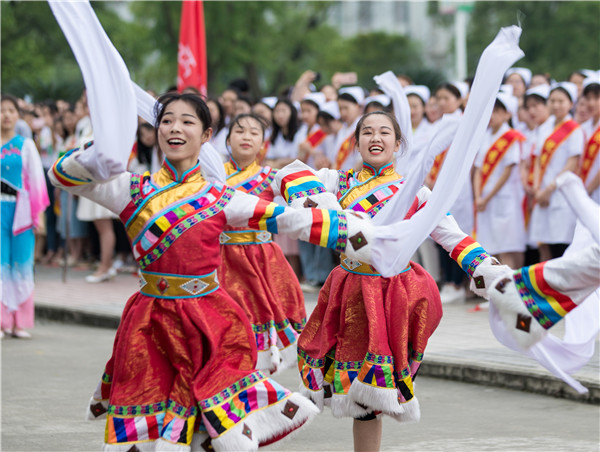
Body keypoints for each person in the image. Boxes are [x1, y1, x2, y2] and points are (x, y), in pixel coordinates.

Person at [50, 92, 375, 450]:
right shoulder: (131, 189)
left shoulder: (221, 196)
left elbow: (294, 219)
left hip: (210, 321)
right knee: (148, 428)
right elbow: (62, 176)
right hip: (149, 322)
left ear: (206, 136)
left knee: (212, 428)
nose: (175, 128)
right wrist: (102, 149)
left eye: (187, 121)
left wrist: (375, 240)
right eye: (167, 121)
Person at [274, 111, 501, 452]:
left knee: (370, 399)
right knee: (355, 394)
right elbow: (289, 175)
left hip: (390, 297)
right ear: (357, 142)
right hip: (348, 291)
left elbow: (453, 237)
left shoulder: (414, 192)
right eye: (367, 132)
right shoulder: (338, 181)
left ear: (398, 145)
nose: (375, 138)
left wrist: (493, 274)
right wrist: (333, 214)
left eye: (384, 133)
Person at [218, 113, 306, 372]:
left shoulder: (274, 177)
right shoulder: (212, 175)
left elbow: (307, 204)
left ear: (263, 143)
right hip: (221, 258)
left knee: (263, 327)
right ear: (228, 140)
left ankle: (257, 383)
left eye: (254, 133)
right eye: (240, 131)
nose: (246, 137)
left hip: (262, 259)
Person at [1, 94, 49, 339]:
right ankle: (2, 321)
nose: (6, 115)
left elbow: (37, 182)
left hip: (21, 212)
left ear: (18, 115)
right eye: (2, 110)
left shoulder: (25, 144)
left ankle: (20, 322)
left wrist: (37, 215)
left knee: (22, 264)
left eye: (10, 110)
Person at [427, 81, 473, 303]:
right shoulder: (439, 123)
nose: (442, 102)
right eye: (439, 98)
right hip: (438, 186)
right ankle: (448, 282)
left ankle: (456, 283)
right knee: (439, 234)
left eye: (447, 98)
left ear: (459, 100)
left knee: (454, 233)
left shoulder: (463, 123)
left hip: (458, 187)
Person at [529, 82, 583, 261]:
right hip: (542, 192)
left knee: (561, 244)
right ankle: (545, 287)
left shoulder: (574, 129)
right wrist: (538, 189)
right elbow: (537, 161)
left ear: (571, 104)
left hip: (560, 192)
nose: (556, 105)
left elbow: (572, 162)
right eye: (552, 101)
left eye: (561, 101)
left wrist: (549, 189)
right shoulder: (544, 128)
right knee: (543, 243)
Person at [473, 92, 526, 271]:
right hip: (484, 201)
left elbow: (508, 170)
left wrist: (486, 197)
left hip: (504, 198)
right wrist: (478, 196)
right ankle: (496, 294)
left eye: (497, 111)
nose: (492, 115)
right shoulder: (485, 136)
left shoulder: (511, 137)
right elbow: (478, 169)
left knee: (506, 248)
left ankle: (509, 291)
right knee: (490, 249)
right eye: (490, 111)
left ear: (507, 114)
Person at [580, 76, 600, 203]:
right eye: (588, 98)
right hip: (583, 190)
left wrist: (589, 188)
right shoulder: (583, 128)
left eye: (596, 98)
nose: (591, 103)